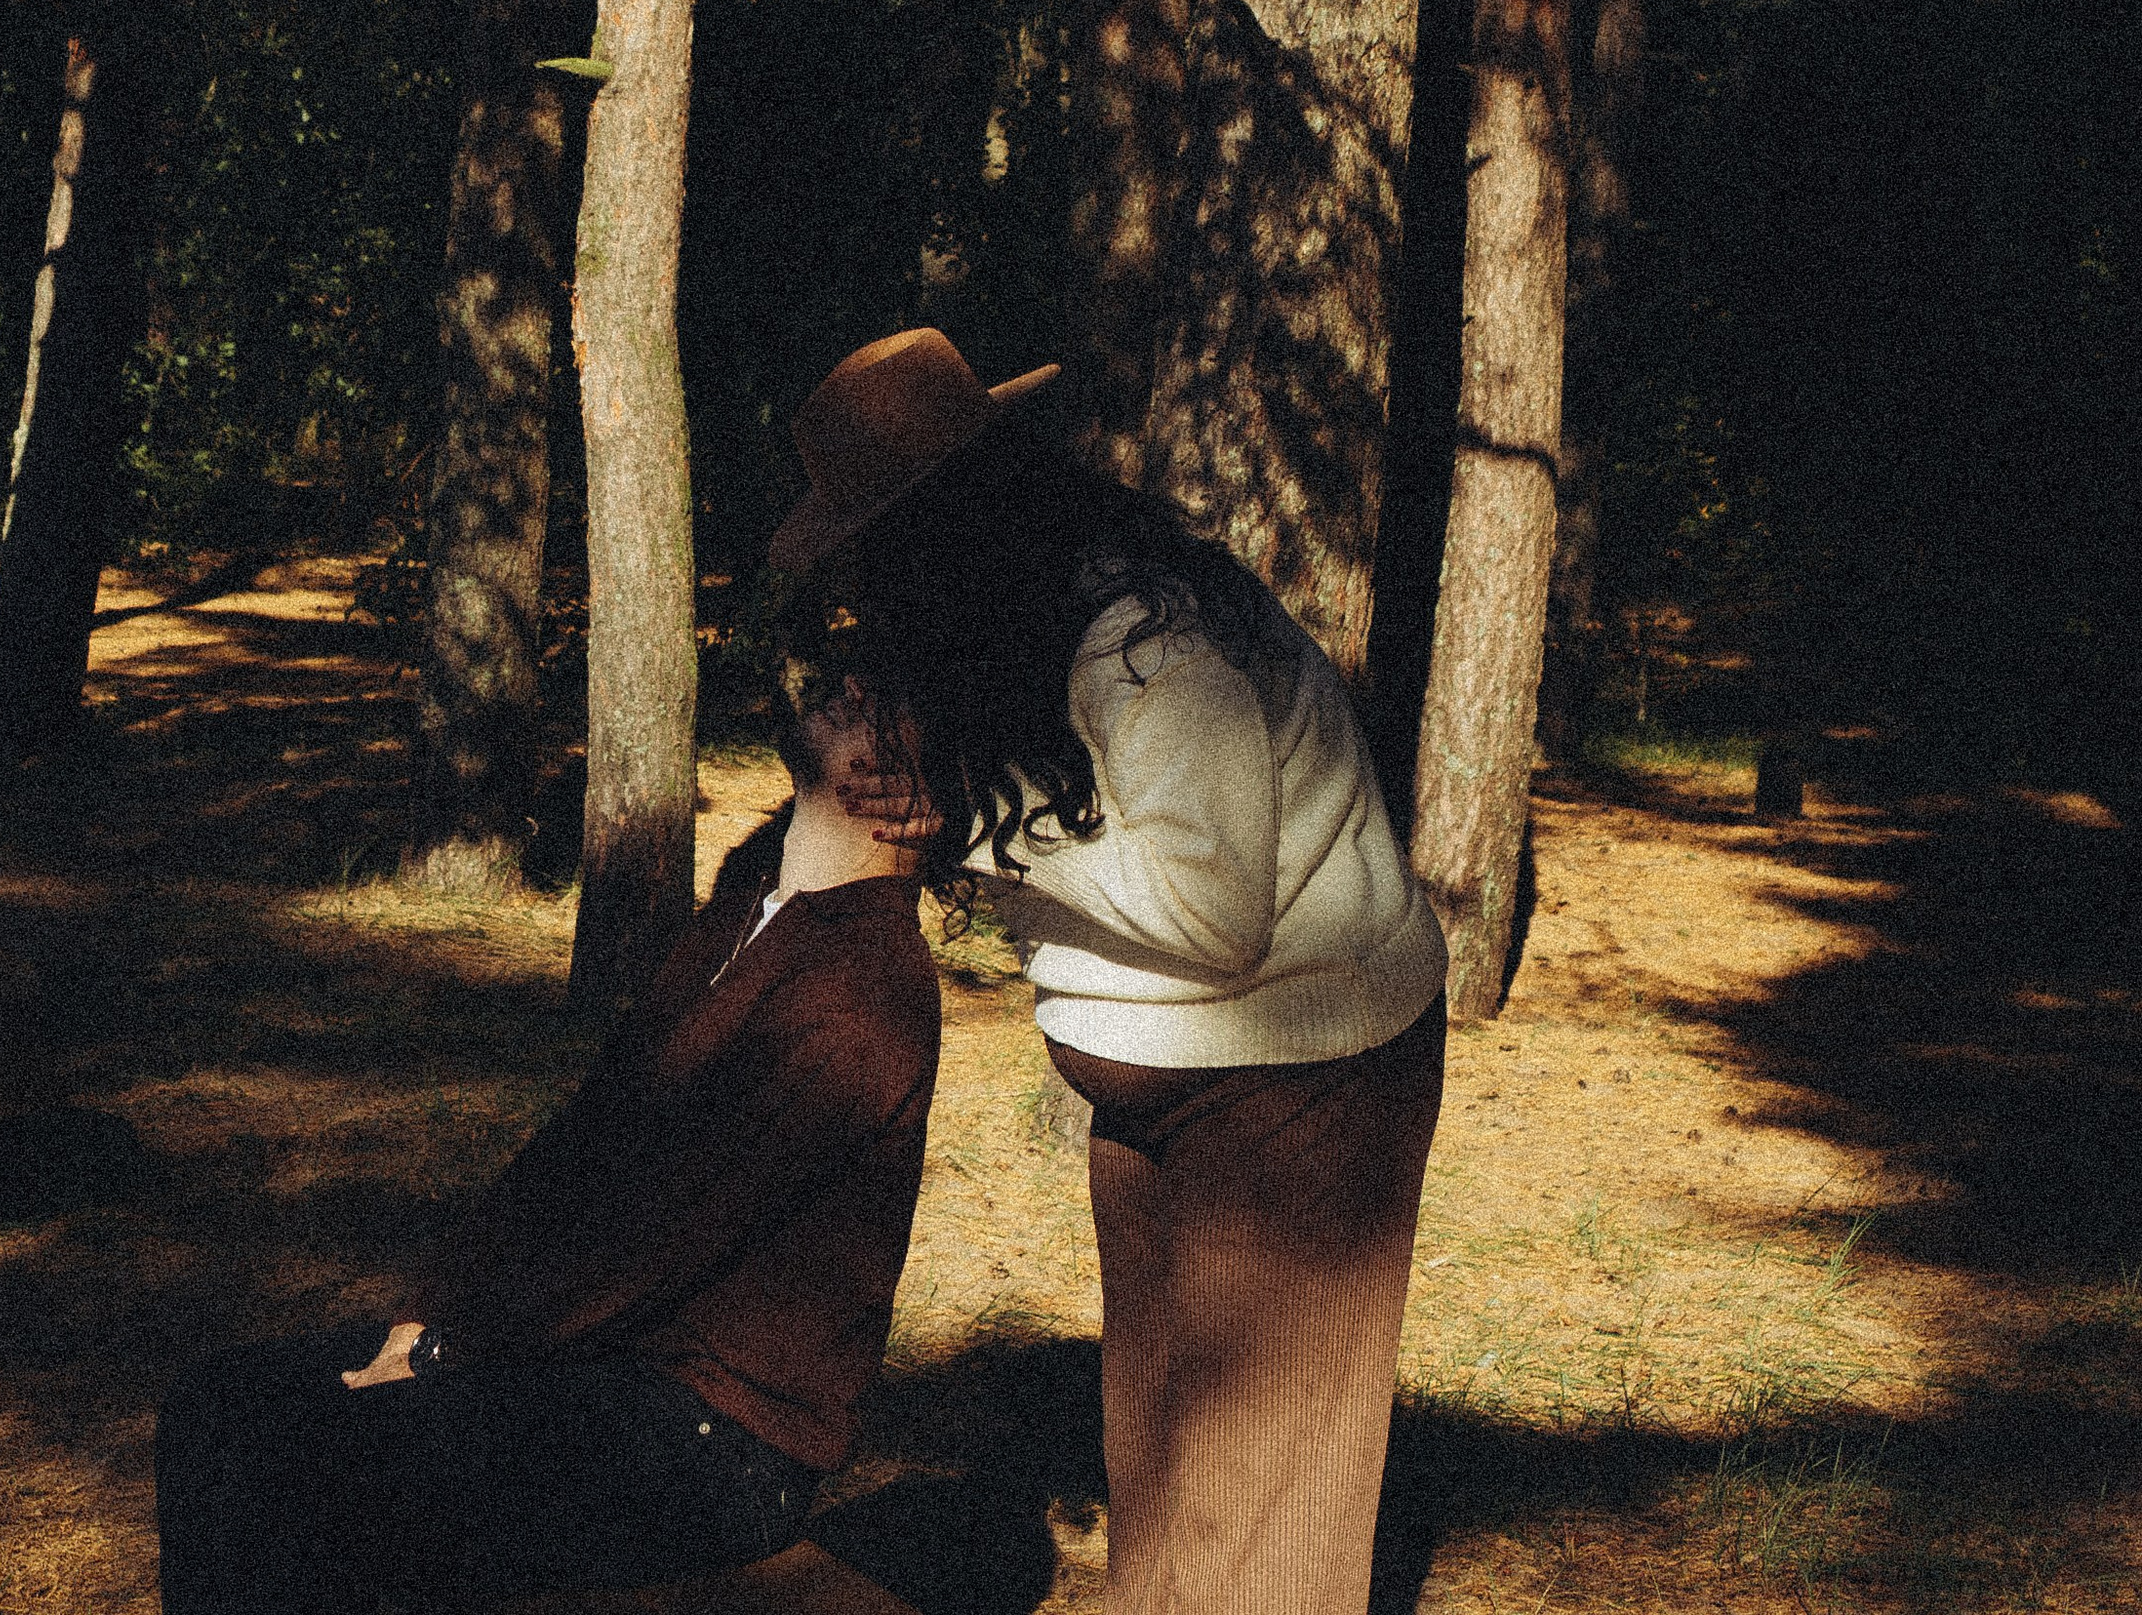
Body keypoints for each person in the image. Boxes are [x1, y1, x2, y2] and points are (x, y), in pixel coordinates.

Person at [772, 326, 1447, 1615]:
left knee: (1264, 1495)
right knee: (1163, 1454)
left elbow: (1210, 911)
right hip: (1170, 1080)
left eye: (871, 550)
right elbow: (1076, 835)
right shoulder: (1026, 624)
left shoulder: (1149, 643)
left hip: (1303, 1077)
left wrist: (969, 823)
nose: (859, 584)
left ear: (944, 530)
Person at [154, 682, 939, 1615]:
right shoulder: (744, 921)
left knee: (301, 1458)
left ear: (922, 788)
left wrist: (452, 1350)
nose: (853, 687)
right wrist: (426, 1312)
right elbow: (573, 1155)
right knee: (219, 1402)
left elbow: (656, 1238)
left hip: (716, 1440)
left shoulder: (863, 989)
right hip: (606, 1361)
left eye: (888, 702)